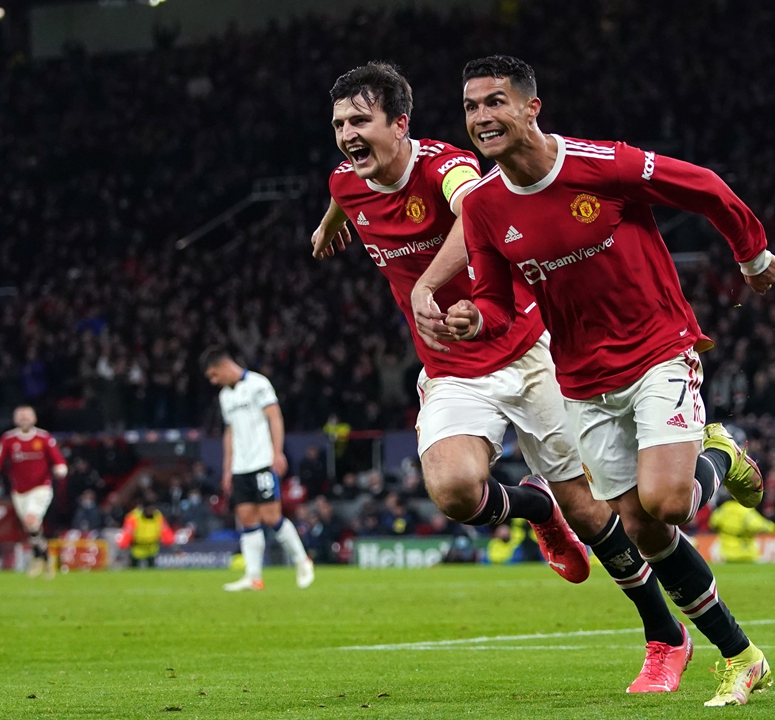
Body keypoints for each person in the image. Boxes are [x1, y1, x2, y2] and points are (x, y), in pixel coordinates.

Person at [312, 61, 731, 694]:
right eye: (339, 123)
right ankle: (533, 505)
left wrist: (428, 282)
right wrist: (330, 224)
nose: (347, 133)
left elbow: (473, 211)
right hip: (452, 367)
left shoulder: (450, 171)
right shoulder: (347, 180)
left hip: (529, 349)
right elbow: (346, 190)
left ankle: (664, 637)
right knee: (453, 491)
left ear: (401, 125)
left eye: (360, 121)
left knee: (597, 516)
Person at [438, 56, 775, 706]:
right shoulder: (482, 205)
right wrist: (469, 318)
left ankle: (720, 452)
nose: (482, 117)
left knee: (670, 503)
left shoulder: (603, 165)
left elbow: (705, 185)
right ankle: (743, 656)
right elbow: (496, 304)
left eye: (494, 102)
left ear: (531, 108)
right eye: (471, 107)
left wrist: (752, 252)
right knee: (643, 530)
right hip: (582, 380)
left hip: (658, 350)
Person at [201, 346, 313, 591]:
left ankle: (302, 561)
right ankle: (253, 577)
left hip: (262, 461)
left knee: (271, 516)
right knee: (247, 519)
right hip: (241, 467)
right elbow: (229, 432)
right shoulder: (225, 396)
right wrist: (227, 467)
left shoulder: (258, 384)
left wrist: (277, 451)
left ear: (223, 366)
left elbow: (275, 417)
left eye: (213, 375)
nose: (213, 381)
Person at [0, 405, 68, 578]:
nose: (24, 418)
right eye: (20, 416)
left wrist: (61, 468)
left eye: (27, 415)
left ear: (34, 418)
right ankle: (43, 556)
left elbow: (57, 458)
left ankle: (40, 557)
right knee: (31, 527)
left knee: (31, 520)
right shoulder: (8, 439)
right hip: (19, 491)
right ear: (15, 419)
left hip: (41, 487)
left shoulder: (43, 437)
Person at [118, 493, 174, 568]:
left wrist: (170, 542)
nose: (150, 511)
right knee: (134, 573)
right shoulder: (133, 517)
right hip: (137, 550)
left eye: (152, 508)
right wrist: (123, 545)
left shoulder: (158, 516)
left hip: (152, 550)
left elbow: (165, 530)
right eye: (149, 509)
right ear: (144, 508)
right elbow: (128, 532)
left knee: (151, 574)